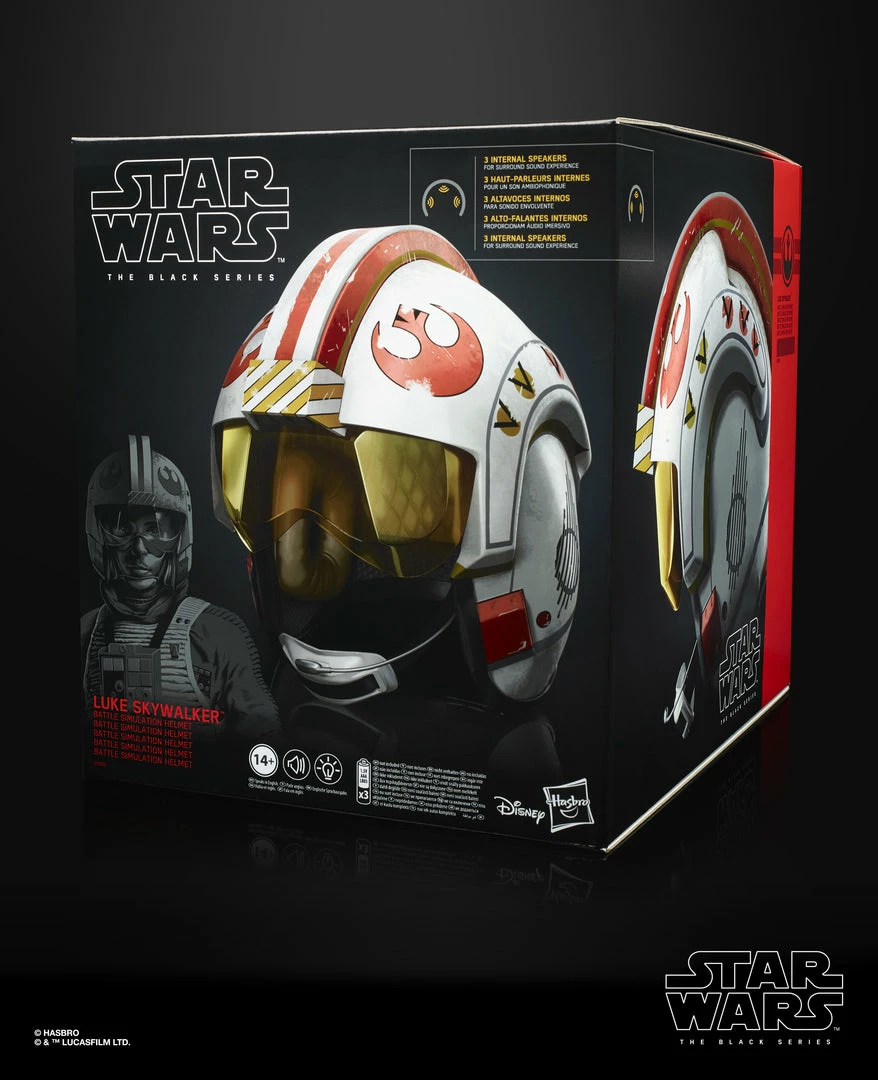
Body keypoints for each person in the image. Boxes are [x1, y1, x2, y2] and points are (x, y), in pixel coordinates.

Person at [81, 434, 280, 741]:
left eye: (154, 529)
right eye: (121, 528)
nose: (139, 550)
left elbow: (263, 743)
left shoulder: (217, 634)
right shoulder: (86, 634)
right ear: (99, 534)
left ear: (179, 538)